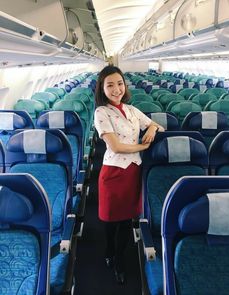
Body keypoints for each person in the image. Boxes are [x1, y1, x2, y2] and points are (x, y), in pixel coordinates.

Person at [94, 65, 164, 285]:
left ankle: (120, 261)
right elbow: (115, 147)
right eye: (110, 85)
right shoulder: (101, 112)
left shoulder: (132, 110)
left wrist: (151, 129)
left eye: (120, 84)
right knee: (109, 222)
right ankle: (109, 251)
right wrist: (143, 147)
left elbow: (156, 125)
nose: (116, 89)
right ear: (102, 88)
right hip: (113, 173)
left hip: (133, 172)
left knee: (125, 222)